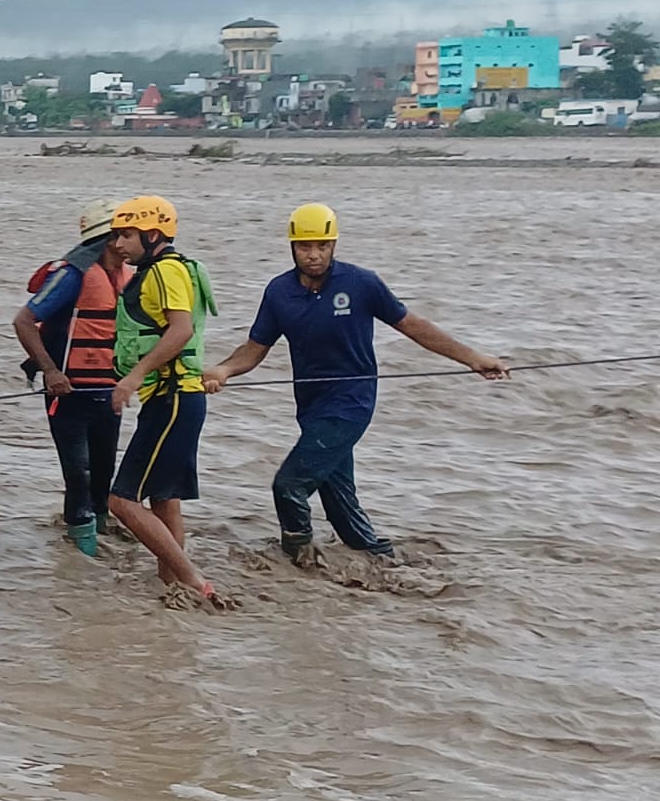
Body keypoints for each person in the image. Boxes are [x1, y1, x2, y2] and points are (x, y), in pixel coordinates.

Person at [203, 203, 509, 561]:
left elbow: (414, 326)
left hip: (352, 403)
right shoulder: (278, 292)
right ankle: (381, 560)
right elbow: (255, 349)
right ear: (292, 247)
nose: (314, 255)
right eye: (305, 247)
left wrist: (473, 358)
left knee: (290, 486)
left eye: (322, 246)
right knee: (339, 502)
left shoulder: (362, 283)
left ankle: (297, 563)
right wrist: (222, 371)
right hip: (311, 405)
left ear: (334, 244)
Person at [105, 196, 222, 597]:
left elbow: (181, 330)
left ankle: (192, 580)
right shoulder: (160, 270)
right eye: (116, 235)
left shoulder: (165, 271)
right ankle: (172, 586)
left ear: (152, 235)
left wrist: (133, 377)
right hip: (176, 399)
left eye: (126, 235)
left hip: (173, 398)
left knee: (121, 500)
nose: (118, 244)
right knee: (164, 498)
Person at [12, 198, 128, 557]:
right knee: (78, 473)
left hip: (108, 393)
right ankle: (81, 550)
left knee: (104, 470)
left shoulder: (129, 277)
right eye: (126, 233)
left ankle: (99, 533)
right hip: (68, 393)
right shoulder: (71, 275)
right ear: (110, 238)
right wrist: (49, 370)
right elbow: (23, 321)